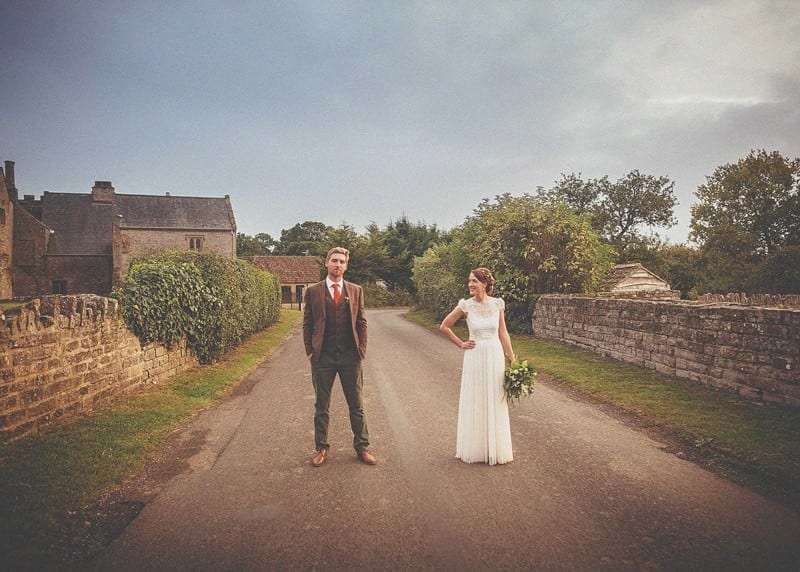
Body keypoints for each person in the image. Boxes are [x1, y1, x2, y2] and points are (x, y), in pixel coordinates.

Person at [303, 247, 376, 467]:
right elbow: (308, 324)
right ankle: (321, 448)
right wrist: (310, 350)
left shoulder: (355, 290)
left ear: (346, 265)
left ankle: (362, 447)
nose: (338, 265)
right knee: (321, 405)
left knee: (356, 404)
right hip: (322, 357)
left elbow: (361, 322)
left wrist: (361, 349)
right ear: (326, 263)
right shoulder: (314, 291)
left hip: (350, 356)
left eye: (342, 261)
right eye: (334, 260)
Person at [439, 268, 515, 465]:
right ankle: (476, 448)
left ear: (484, 283)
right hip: (475, 356)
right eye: (469, 281)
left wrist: (511, 355)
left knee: (495, 398)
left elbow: (503, 333)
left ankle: (494, 448)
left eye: (474, 281)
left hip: (494, 354)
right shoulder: (465, 306)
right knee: (477, 398)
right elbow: (444, 326)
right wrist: (461, 343)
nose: (470, 284)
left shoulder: (498, 304)